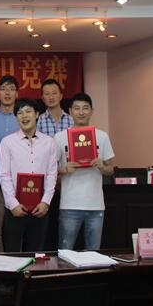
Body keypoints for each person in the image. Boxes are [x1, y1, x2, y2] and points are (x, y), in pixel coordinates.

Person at [54, 93, 115, 250]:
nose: (81, 112)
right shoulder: (59, 137)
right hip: (69, 205)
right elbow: (50, 170)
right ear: (70, 111)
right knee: (65, 252)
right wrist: (64, 169)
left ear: (92, 111)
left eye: (85, 108)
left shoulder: (102, 136)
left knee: (94, 253)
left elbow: (110, 169)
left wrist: (102, 166)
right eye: (77, 108)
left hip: (95, 205)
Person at [0, 99, 58, 252]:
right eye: (20, 113)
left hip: (40, 209)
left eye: (28, 111)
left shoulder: (49, 142)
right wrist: (13, 204)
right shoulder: (7, 142)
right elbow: (4, 175)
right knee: (12, 254)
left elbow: (52, 174)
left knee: (37, 254)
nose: (24, 116)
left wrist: (45, 202)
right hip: (15, 209)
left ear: (37, 114)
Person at [0, 75, 19, 252]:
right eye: (3, 89)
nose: (7, 93)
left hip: (19, 182)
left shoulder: (24, 117)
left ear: (17, 93)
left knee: (16, 229)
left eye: (11, 89)